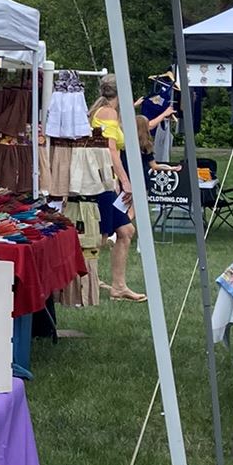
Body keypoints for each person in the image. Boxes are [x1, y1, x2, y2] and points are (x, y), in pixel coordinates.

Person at [88, 80, 146, 301]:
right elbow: (110, 149)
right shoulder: (108, 113)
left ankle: (118, 286)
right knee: (100, 237)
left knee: (126, 231)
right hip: (102, 182)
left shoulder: (105, 111)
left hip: (105, 180)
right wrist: (125, 181)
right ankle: (83, 278)